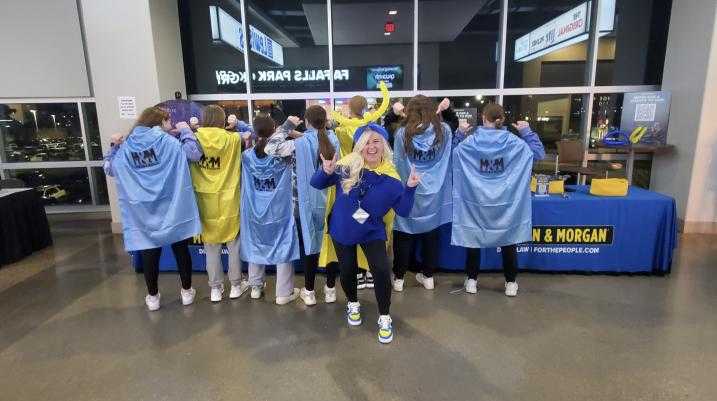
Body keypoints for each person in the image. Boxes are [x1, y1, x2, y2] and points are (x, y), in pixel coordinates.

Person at [310, 123, 420, 344]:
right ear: (359, 146)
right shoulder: (345, 167)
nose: (371, 147)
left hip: (372, 230)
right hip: (343, 228)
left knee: (381, 270)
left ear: (384, 145)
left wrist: (410, 187)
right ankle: (352, 303)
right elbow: (316, 183)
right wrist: (326, 171)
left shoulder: (391, 178)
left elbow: (404, 211)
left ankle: (385, 317)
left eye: (376, 141)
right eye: (366, 142)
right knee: (348, 270)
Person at [104, 106, 203, 311]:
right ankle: (186, 291)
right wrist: (185, 131)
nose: (171, 125)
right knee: (180, 249)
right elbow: (194, 154)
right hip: (172, 207)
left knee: (150, 252)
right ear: (160, 122)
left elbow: (110, 168)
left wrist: (113, 146)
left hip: (143, 212)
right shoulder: (169, 143)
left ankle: (152, 297)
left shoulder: (127, 146)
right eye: (169, 121)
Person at [452, 103, 545, 296]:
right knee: (508, 240)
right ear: (501, 120)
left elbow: (452, 154)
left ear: (483, 118)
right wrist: (527, 132)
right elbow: (538, 153)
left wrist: (460, 134)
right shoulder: (514, 142)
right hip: (506, 204)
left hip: (475, 202)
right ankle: (510, 283)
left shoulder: (471, 142)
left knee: (473, 239)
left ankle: (471, 281)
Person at [264, 105, 341, 306]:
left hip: (303, 204)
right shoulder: (333, 139)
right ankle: (331, 288)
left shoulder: (299, 144)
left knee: (311, 246)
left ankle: (309, 291)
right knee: (330, 245)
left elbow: (270, 148)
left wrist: (287, 126)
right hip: (331, 201)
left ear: (306, 121)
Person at [392, 95, 454, 292]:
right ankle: (428, 276)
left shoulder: (403, 133)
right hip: (435, 191)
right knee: (431, 237)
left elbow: (398, 162)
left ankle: (399, 278)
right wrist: (445, 110)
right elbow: (447, 154)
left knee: (403, 235)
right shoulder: (443, 131)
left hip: (409, 188)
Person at [239, 114, 300, 305]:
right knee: (283, 245)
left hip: (254, 209)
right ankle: (283, 293)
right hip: (279, 209)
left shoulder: (247, 156)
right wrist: (291, 130)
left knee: (256, 242)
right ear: (275, 129)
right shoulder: (284, 154)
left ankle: (255, 286)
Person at [190, 105, 248, 302]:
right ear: (222, 119)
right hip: (230, 199)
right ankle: (236, 285)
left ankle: (215, 288)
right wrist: (237, 124)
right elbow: (252, 133)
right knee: (233, 246)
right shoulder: (232, 138)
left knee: (211, 247)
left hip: (204, 200)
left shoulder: (194, 138)